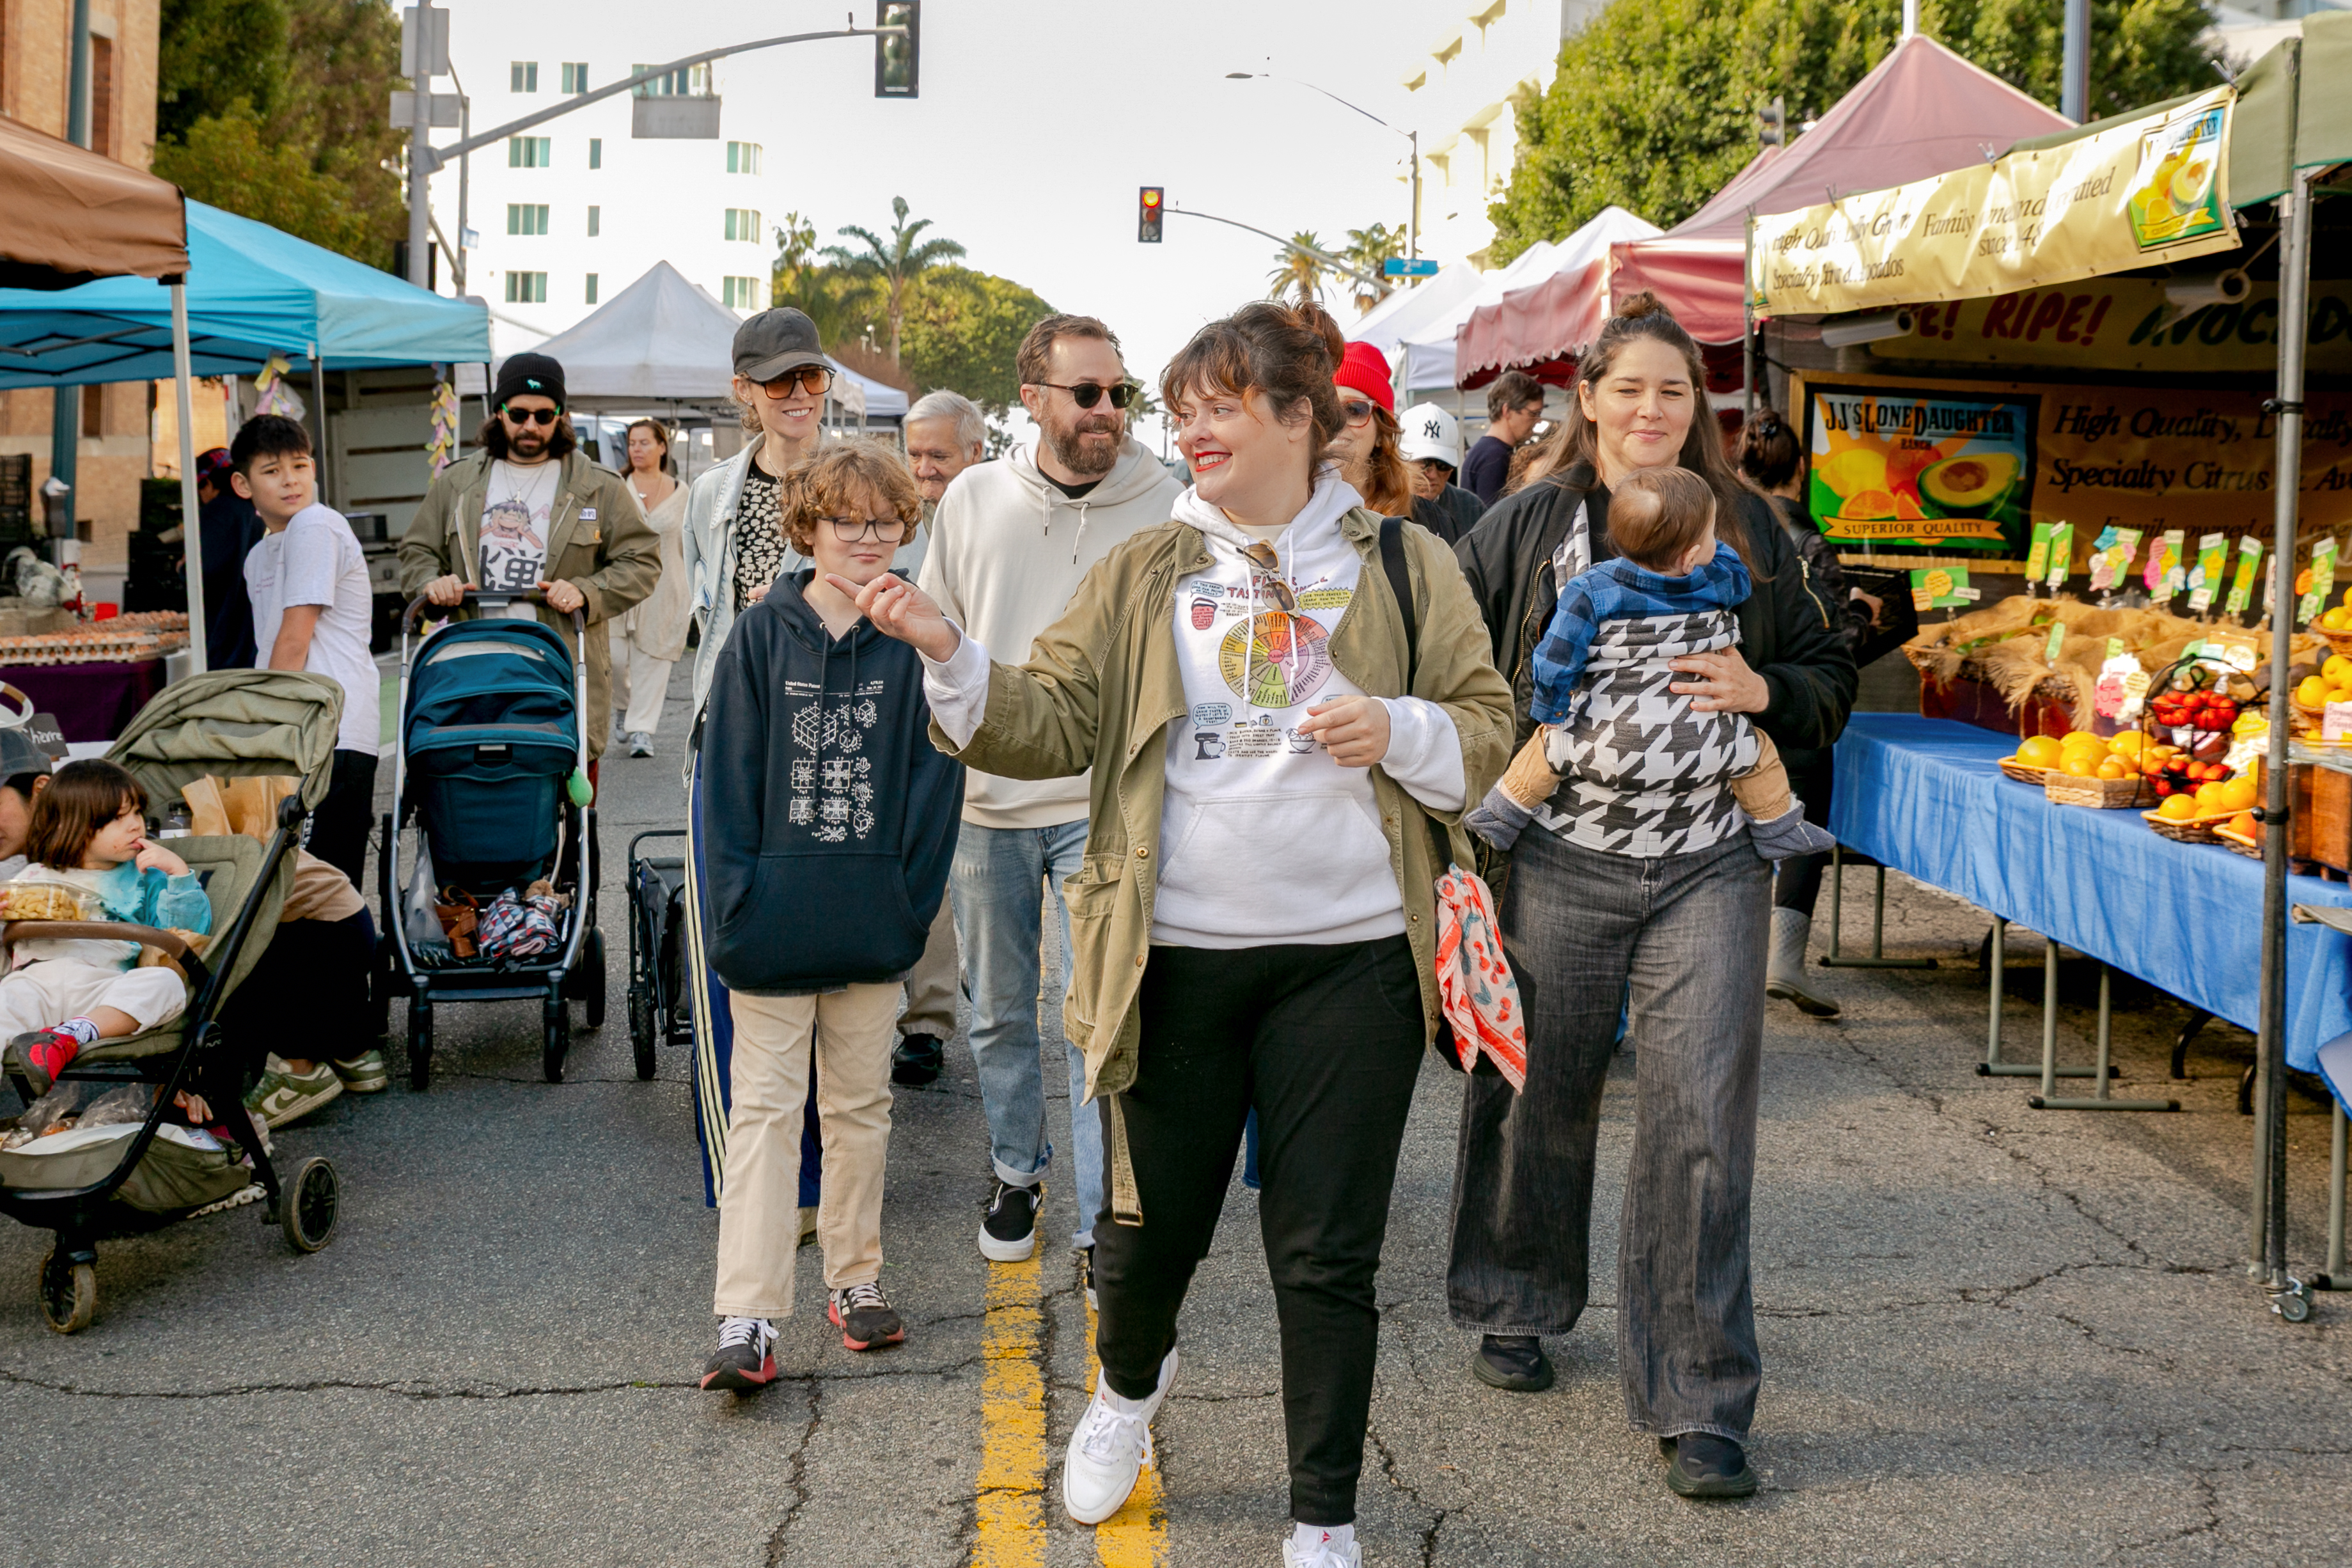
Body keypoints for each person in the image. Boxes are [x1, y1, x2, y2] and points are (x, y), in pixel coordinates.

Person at [858, 301, 1512, 1568]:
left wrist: (1399, 726)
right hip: (1174, 963)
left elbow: (1486, 724)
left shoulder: (1404, 567)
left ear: (1298, 416)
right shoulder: (1154, 567)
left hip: (1354, 962)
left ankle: (1324, 1515)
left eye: (1219, 405)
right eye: (1184, 410)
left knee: (1326, 1256)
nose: (1190, 430)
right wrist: (951, 653)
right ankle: (1127, 1389)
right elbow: (1048, 721)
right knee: (1147, 1234)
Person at [1448, 294, 1854, 1501]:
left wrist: (1763, 684)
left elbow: (1831, 671)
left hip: (1711, 866)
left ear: (1700, 410)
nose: (1649, 411)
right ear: (1587, 399)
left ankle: (1700, 1397)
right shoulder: (1525, 523)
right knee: (1536, 1090)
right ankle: (1516, 1301)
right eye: (1627, 388)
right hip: (1558, 858)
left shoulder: (1758, 534)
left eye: (1672, 391)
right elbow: (1455, 674)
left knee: (1699, 1122)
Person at [915, 313, 1182, 1284]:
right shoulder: (974, 499)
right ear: (1031, 398)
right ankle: (1013, 1171)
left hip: (1100, 799)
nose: (1107, 410)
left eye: (1119, 392)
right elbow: (938, 634)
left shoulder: (1167, 502)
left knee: (1093, 1014)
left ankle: (1095, 1216)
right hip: (985, 802)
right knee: (993, 1012)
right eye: (1086, 394)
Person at [695, 439, 962, 1388]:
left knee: (860, 1107)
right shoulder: (762, 637)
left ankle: (856, 1282)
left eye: (885, 523)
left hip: (870, 921)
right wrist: (736, 903)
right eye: (845, 521)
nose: (866, 538)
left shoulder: (915, 636)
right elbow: (722, 785)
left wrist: (907, 905)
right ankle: (747, 1316)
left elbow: (937, 786)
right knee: (766, 1113)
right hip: (770, 921)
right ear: (807, 528)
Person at [679, 307, 841, 1223]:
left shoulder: (859, 484)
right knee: (729, 967)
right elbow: (707, 618)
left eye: (810, 378)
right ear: (744, 391)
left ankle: (821, 1184)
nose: (797, 396)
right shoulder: (713, 492)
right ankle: (750, 1183)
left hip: (824, 744)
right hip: (728, 744)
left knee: (823, 972)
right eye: (778, 381)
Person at [1463, 465, 1835, 864]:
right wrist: (1710, 551)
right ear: (1692, 555)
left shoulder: (1590, 589)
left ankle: (1501, 817)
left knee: (1548, 749)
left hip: (1607, 743)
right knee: (1758, 752)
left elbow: (1556, 655)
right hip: (1705, 742)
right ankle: (1778, 828)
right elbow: (1740, 577)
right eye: (1712, 532)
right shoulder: (1713, 582)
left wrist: (1551, 708)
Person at [404, 352, 659, 780]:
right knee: (476, 794)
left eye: (544, 415)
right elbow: (417, 551)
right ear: (499, 413)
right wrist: (433, 583)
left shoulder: (597, 487)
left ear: (561, 416)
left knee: (571, 808)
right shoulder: (457, 483)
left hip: (560, 672)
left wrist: (586, 591)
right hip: (473, 672)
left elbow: (642, 560)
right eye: (519, 413)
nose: (531, 426)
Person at [1738, 408, 1884, 1017]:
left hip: (1736, 702)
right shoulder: (1808, 541)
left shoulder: (1729, 528)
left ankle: (1733, 960)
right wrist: (1864, 610)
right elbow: (1830, 640)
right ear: (1801, 470)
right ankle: (1784, 963)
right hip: (1793, 705)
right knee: (1796, 827)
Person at [0, 761, 210, 1096]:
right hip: (34, 983)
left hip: (103, 989)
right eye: (117, 818)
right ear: (73, 826)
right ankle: (53, 1042)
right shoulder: (34, 878)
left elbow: (184, 935)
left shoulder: (147, 877)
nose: (136, 826)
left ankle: (70, 1037)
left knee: (165, 983)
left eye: (138, 812)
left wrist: (178, 875)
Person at [887, 388, 987, 1088]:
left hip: (977, 715)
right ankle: (924, 1016)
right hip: (897, 714)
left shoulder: (1001, 516)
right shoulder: (891, 516)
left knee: (965, 869)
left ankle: (949, 1013)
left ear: (976, 453)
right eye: (915, 453)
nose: (923, 468)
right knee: (916, 865)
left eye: (938, 455)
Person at [232, 416, 379, 889]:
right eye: (272, 471)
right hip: (296, 731)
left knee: (326, 883)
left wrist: (268, 728)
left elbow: (295, 637)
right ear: (242, 484)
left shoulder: (317, 524)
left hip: (333, 727)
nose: (290, 480)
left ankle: (345, 965)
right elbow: (268, 642)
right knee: (291, 885)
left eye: (299, 466)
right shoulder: (259, 555)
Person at [609, 419, 691, 758]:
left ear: (662, 446)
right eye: (632, 443)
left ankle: (642, 729)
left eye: (644, 442)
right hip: (618, 584)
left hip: (664, 587)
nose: (637, 449)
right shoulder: (615, 487)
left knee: (652, 659)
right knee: (613, 659)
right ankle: (621, 706)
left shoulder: (682, 492)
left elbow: (690, 545)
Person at [196, 446, 265, 670]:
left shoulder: (216, 513)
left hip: (224, 628)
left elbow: (205, 570)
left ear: (208, 483)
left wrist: (184, 568)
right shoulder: (253, 510)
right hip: (252, 625)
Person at [1397, 402, 1485, 544]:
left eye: (1443, 465)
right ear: (1400, 459)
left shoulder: (1471, 507)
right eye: (1423, 463)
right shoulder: (1380, 504)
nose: (1432, 474)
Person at [1462, 370, 1544, 506]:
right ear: (1507, 411)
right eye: (1534, 413)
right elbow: (1495, 521)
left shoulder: (1486, 450)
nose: (1538, 420)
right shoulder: (1495, 456)